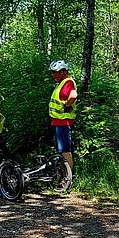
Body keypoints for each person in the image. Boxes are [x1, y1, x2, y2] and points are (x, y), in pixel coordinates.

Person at [48, 59, 77, 188]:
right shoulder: (61, 83)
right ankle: (64, 176)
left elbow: (73, 95)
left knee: (65, 150)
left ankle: (68, 179)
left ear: (63, 72)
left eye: (55, 72)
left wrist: (67, 105)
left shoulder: (68, 82)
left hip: (63, 122)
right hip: (58, 122)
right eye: (53, 72)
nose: (53, 75)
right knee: (61, 150)